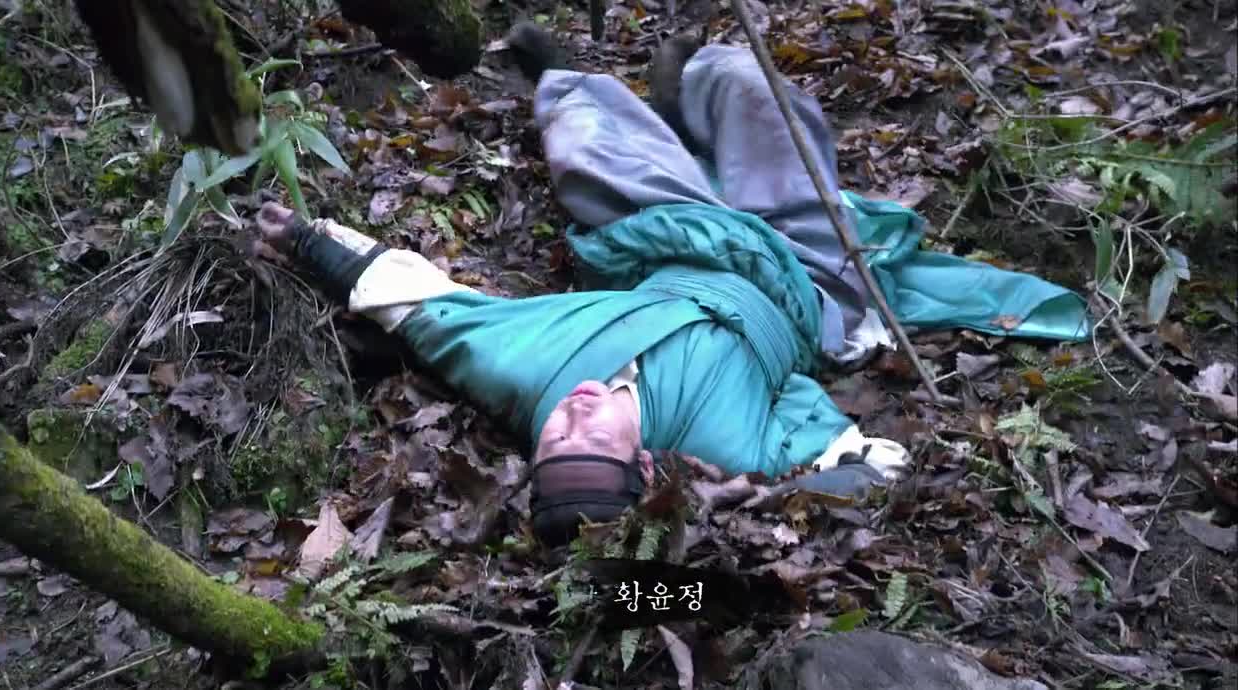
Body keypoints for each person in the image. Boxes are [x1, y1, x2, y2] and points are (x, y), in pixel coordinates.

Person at [253, 24, 1089, 547]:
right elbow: (867, 466)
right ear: (646, 461)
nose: (574, 413)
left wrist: (309, 243)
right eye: (589, 436)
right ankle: (695, 90)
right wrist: (709, 535)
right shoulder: (728, 448)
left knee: (587, 152)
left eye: (555, 438)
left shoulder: (531, 380)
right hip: (798, 277)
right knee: (756, 95)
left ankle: (578, 78)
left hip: (667, 240)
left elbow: (429, 312)